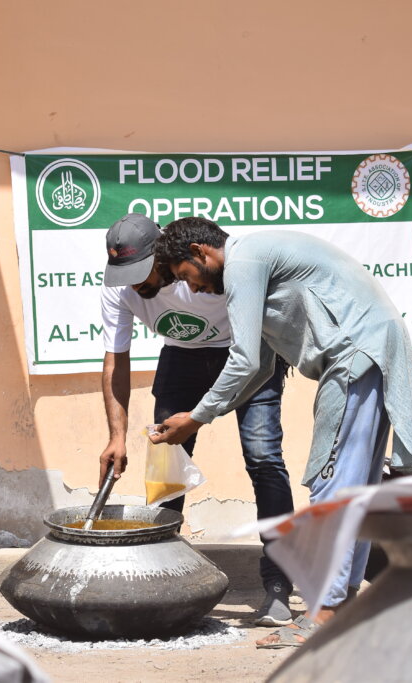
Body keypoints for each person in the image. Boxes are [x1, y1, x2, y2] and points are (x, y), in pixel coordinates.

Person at [150, 217, 412, 648]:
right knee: (354, 489)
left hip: (354, 356)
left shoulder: (243, 262)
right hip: (370, 351)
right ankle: (343, 603)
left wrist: (197, 417)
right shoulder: (255, 260)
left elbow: (241, 360)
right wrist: (207, 412)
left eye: (190, 277)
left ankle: (324, 612)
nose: (197, 291)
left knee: (331, 486)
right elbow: (259, 365)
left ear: (202, 252)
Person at [99, 213, 296, 626]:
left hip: (248, 354)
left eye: (143, 271)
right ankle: (161, 579)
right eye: (126, 273)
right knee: (166, 463)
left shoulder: (210, 272)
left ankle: (278, 585)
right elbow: (116, 359)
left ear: (166, 256)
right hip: (181, 356)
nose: (136, 283)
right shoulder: (120, 289)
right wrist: (115, 436)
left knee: (263, 457)